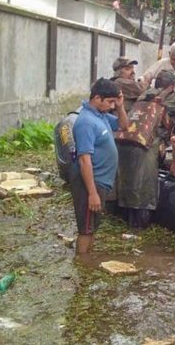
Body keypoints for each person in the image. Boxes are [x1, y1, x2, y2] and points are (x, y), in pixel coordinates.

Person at [70, 78, 128, 259]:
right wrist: (92, 193)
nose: (112, 106)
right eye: (109, 102)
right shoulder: (86, 122)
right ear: (97, 98)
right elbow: (84, 160)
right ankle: (82, 264)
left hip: (100, 181)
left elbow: (124, 126)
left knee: (92, 226)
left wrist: (120, 107)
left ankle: (87, 261)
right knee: (86, 229)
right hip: (91, 182)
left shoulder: (100, 115)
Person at [116, 70, 175, 229]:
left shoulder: (142, 95)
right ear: (171, 87)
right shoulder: (166, 99)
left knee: (129, 182)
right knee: (145, 185)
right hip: (145, 146)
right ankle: (140, 225)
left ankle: (128, 220)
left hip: (126, 142)